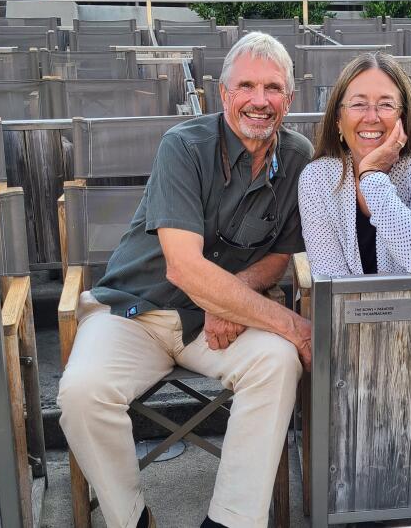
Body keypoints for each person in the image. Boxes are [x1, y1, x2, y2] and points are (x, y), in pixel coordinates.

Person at [57, 32, 313, 528]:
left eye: (273, 88)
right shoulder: (184, 146)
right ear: (223, 93)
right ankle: (131, 519)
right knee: (82, 392)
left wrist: (228, 299)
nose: (259, 101)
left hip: (217, 326)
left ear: (290, 97)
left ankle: (231, 521)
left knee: (278, 364)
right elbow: (184, 268)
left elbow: (279, 256)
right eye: (247, 87)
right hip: (136, 311)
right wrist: (294, 325)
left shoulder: (299, 158)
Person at [298, 52, 411, 277]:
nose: (371, 117)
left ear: (404, 116)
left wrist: (370, 174)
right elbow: (332, 279)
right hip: (358, 310)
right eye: (358, 104)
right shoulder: (317, 177)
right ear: (338, 119)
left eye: (386, 105)